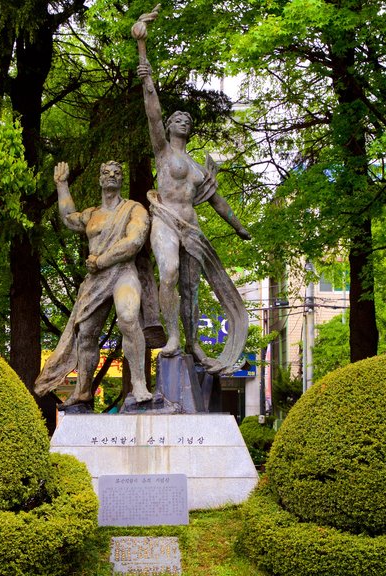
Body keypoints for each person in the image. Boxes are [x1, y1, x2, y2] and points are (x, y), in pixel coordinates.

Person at [132, 7, 251, 374]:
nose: (182, 119)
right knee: (167, 273)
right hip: (166, 220)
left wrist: (238, 227)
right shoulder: (163, 152)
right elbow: (152, 108)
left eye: (188, 119)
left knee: (191, 288)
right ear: (169, 126)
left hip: (192, 225)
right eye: (177, 117)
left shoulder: (198, 168)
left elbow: (218, 201)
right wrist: (143, 56)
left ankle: (194, 343)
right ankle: (172, 336)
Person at [34, 161, 154, 408]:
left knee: (128, 318)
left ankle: (139, 383)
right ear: (100, 180)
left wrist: (101, 260)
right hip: (96, 280)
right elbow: (69, 218)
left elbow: (134, 241)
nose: (111, 176)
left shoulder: (135, 209)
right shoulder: (92, 214)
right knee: (86, 335)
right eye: (106, 173)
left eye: (117, 173)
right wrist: (61, 185)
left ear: (122, 179)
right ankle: (84, 390)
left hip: (122, 272)